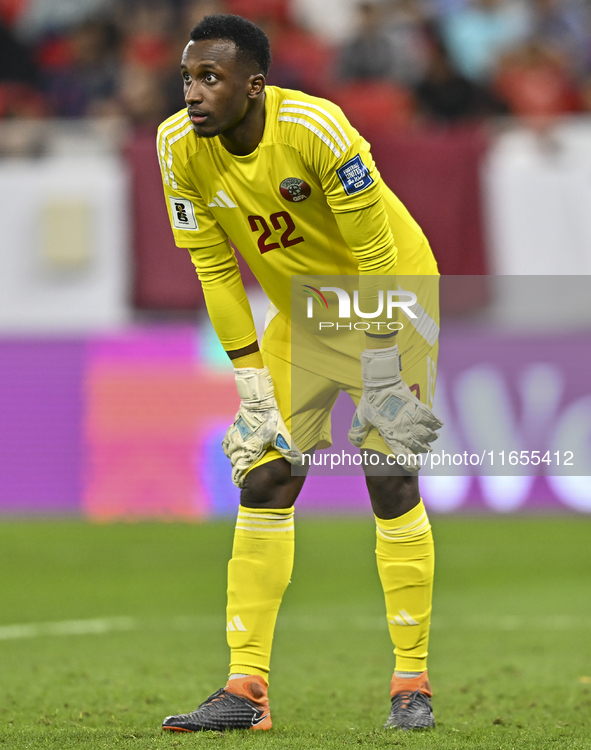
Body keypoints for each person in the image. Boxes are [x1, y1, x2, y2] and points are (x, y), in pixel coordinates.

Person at [157, 13, 441, 733]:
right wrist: (251, 388)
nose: (193, 93)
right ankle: (244, 690)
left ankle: (412, 681)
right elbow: (214, 267)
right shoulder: (176, 149)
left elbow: (376, 254)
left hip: (392, 298)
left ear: (254, 86)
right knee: (266, 472)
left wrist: (381, 372)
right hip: (307, 314)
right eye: (188, 77)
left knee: (388, 474)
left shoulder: (316, 130)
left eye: (210, 78)